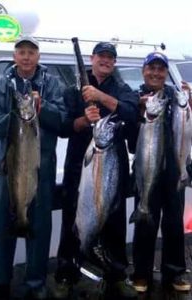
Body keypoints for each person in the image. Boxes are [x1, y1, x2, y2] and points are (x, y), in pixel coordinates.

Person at [53, 41, 139, 300]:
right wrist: (82, 119)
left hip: (112, 164)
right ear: (92, 59)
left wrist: (101, 98)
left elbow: (132, 112)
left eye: (110, 58)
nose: (106, 61)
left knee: (114, 224)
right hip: (80, 166)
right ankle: (66, 275)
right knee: (72, 223)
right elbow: (63, 126)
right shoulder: (73, 89)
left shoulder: (121, 88)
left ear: (114, 62)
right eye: (101, 56)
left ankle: (117, 276)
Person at [0, 36, 66, 299]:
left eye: (31, 52)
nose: (26, 57)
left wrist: (42, 106)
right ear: (14, 56)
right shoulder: (1, 85)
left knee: (40, 226)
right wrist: (15, 115)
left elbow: (62, 120)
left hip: (41, 167)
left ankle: (35, 284)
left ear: (38, 56)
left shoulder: (52, 84)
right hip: (7, 166)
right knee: (2, 225)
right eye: (21, 52)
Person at [131, 52, 191, 293]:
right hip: (146, 169)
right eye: (151, 68)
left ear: (166, 73)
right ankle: (141, 273)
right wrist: (138, 107)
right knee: (145, 222)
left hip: (174, 171)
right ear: (143, 70)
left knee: (174, 223)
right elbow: (125, 124)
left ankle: (175, 271)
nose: (156, 73)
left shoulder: (176, 97)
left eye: (161, 69)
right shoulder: (133, 96)